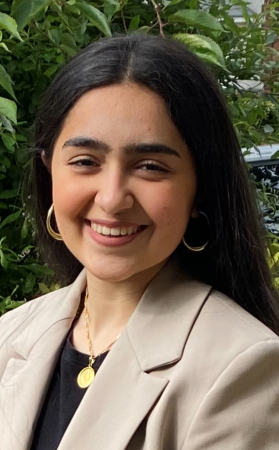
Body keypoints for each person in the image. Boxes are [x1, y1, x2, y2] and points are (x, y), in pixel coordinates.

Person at [0, 32, 279, 450]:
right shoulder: (11, 335)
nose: (112, 198)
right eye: (85, 162)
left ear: (199, 190)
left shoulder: (241, 367)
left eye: (150, 166)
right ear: (48, 172)